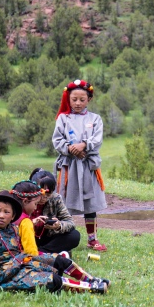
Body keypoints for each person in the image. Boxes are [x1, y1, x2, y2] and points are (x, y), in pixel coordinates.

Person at [0, 190, 109, 295]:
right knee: (52, 280)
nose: (1, 215)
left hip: (23, 263)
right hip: (4, 275)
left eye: (6, 212)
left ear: (13, 216)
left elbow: (25, 251)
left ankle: (92, 280)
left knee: (59, 260)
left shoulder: (15, 228)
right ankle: (91, 288)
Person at [52, 79, 108, 252]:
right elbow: (57, 140)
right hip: (69, 168)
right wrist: (71, 148)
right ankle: (61, 236)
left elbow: (97, 140)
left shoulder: (95, 119)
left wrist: (84, 145)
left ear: (89, 99)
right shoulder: (63, 118)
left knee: (90, 204)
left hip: (88, 168)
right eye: (74, 99)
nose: (77, 103)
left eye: (82, 99)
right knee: (64, 202)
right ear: (68, 99)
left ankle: (92, 239)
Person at [29, 168, 81, 257]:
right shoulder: (25, 199)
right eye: (41, 194)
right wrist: (30, 223)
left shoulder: (56, 199)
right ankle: (50, 254)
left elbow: (70, 222)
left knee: (74, 235)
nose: (44, 198)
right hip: (28, 236)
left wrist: (58, 225)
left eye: (48, 195)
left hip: (47, 237)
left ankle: (41, 253)